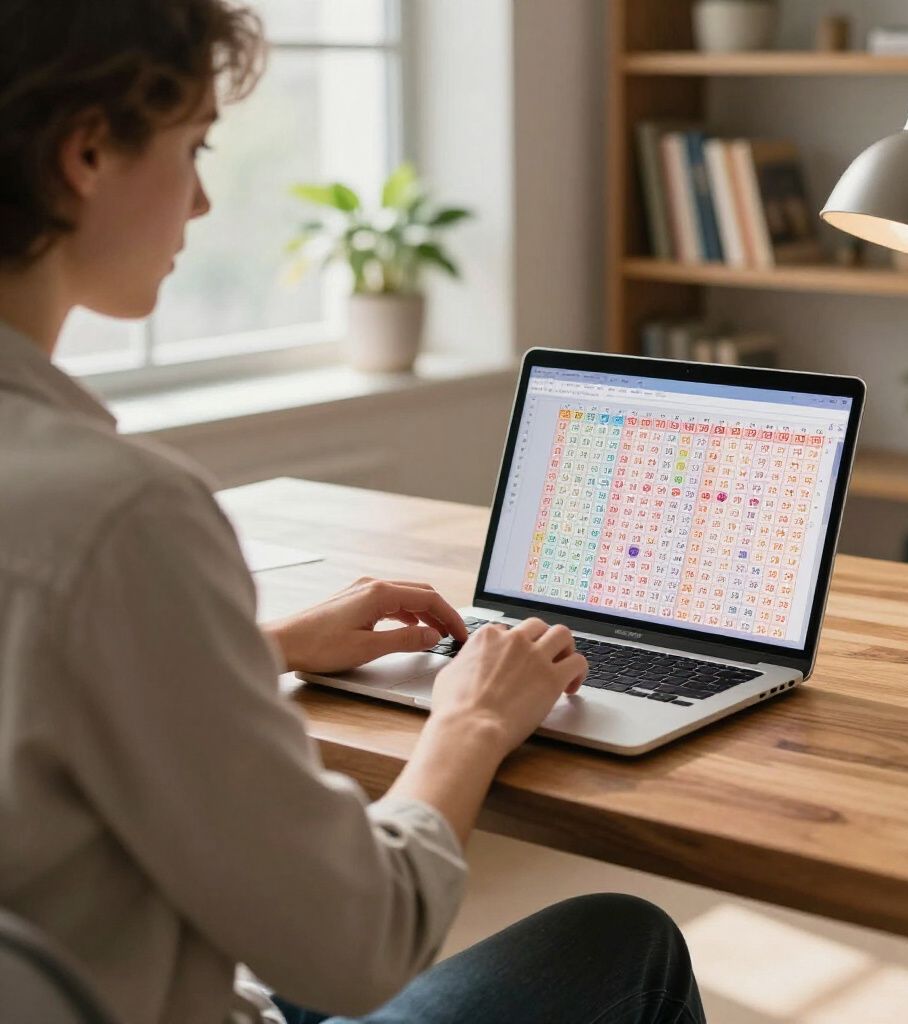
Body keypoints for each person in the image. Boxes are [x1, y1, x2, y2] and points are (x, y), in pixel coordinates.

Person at [0, 3, 707, 1023]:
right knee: (620, 938)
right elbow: (359, 943)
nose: (201, 201)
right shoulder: (121, 518)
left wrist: (260, 644)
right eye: (193, 145)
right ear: (87, 152)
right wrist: (468, 721)